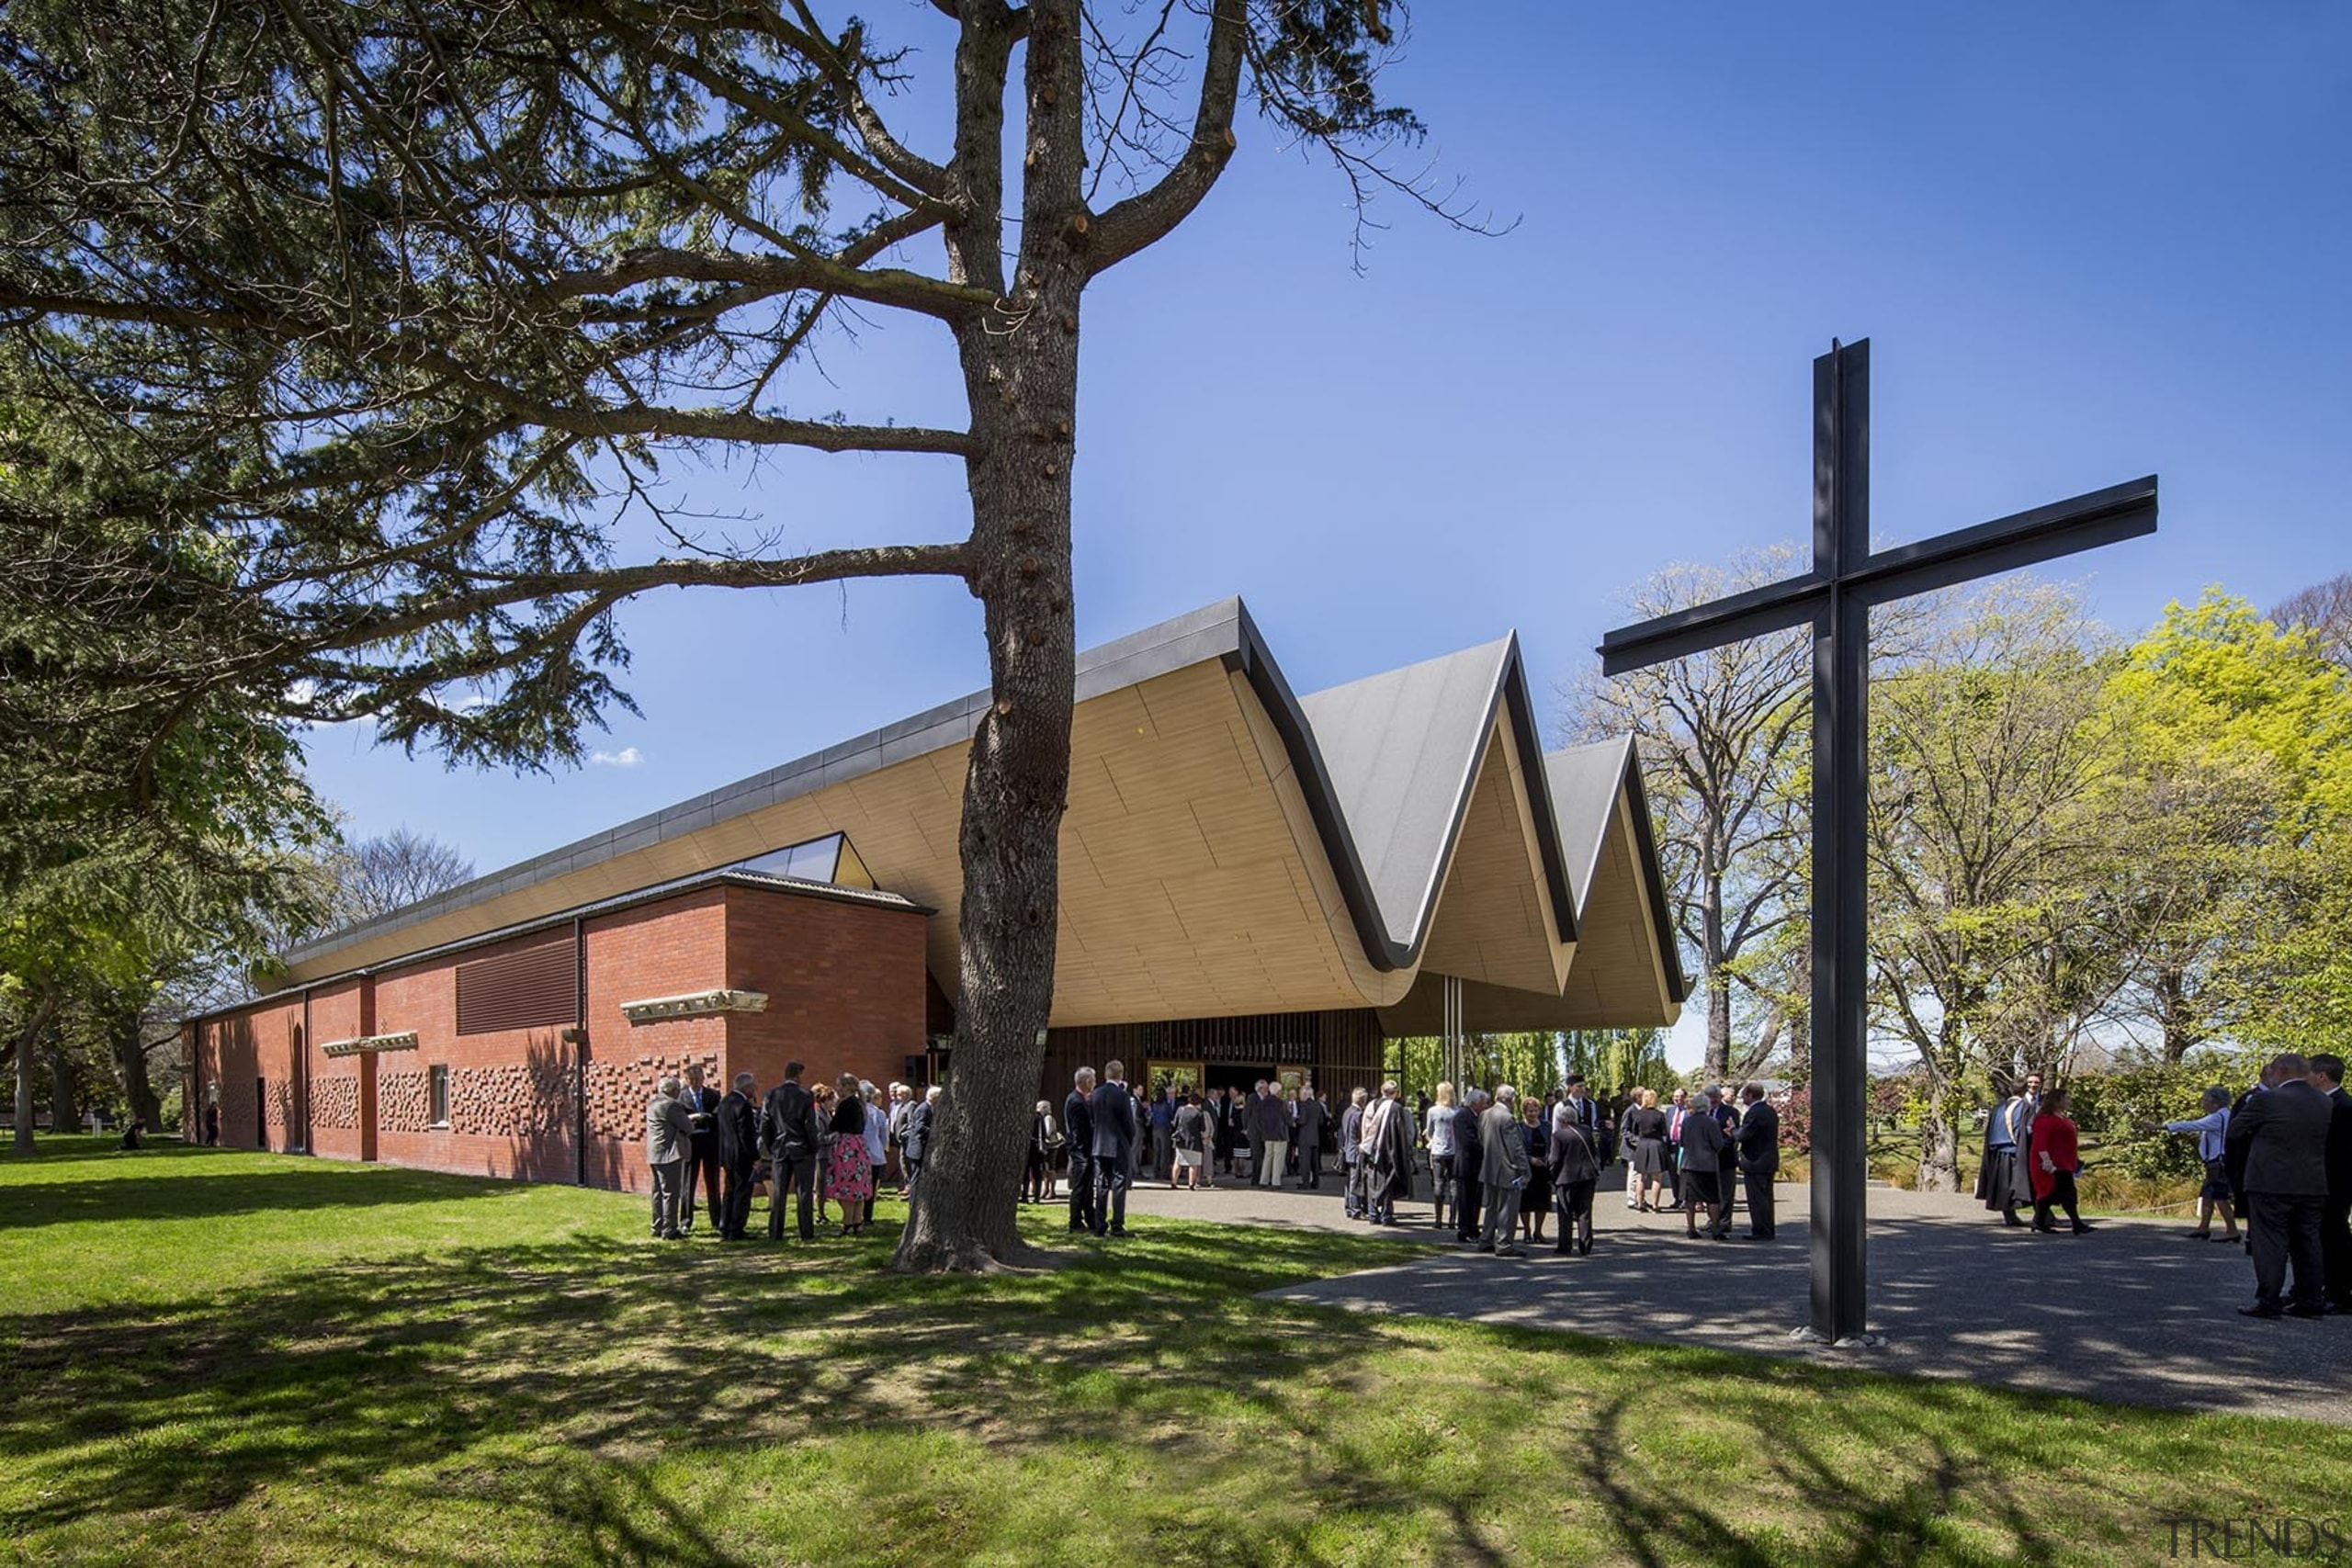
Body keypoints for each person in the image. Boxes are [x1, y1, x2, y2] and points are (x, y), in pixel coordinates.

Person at [2225, 1053, 2334, 1318]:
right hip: (2311, 1182)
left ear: (2281, 1070)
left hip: (2269, 1181)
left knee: (2270, 1243)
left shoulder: (2266, 1099)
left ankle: (2269, 1301)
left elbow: (2235, 1130)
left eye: (2272, 1071)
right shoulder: (2323, 1101)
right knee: (2308, 1242)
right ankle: (2310, 1302)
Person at [2162, 1087, 2239, 1243]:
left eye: (2206, 1099)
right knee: (2208, 1194)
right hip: (2213, 1161)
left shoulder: (2218, 1117)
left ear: (2216, 1103)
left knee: (2219, 1196)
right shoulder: (2220, 1116)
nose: (2203, 1102)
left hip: (2218, 1161)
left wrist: (2163, 1127)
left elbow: (2192, 1125)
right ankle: (2203, 1227)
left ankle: (2232, 1230)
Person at [760, 1062, 821, 1243]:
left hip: (780, 1147)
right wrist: (813, 1146)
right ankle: (806, 1232)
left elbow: (765, 1124)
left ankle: (775, 1232)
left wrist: (771, 1145)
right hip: (802, 1147)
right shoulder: (805, 1095)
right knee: (804, 1191)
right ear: (797, 1075)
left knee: (779, 1192)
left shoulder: (771, 1095)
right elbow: (810, 1125)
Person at [2313, 1054, 2352, 1314]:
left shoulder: (2342, 1107)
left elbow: (2343, 1154)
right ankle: (2326, 1286)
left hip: (2336, 1185)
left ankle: (2339, 1293)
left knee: (2335, 1238)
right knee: (2325, 1238)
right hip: (2326, 1183)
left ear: (2321, 1076)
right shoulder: (2331, 1104)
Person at [2027, 1087, 2090, 1236]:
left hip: (2064, 1161)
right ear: (2057, 1101)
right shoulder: (2045, 1120)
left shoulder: (2061, 1117)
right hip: (2052, 1163)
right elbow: (2040, 1143)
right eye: (2066, 1098)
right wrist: (2047, 1161)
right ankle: (2077, 1224)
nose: (2069, 1101)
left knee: (2051, 1194)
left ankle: (2039, 1222)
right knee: (2065, 1193)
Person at [1478, 1085, 1530, 1257]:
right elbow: (1515, 1147)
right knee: (1508, 1208)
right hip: (1508, 1169)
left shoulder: (1484, 1114)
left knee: (1491, 1206)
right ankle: (1504, 1243)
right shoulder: (1507, 1118)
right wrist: (1524, 1169)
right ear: (1510, 1099)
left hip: (1489, 1166)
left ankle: (1486, 1239)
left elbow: (1481, 1139)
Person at [1091, 1058, 1139, 1237]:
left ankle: (1099, 1223)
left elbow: (1093, 1118)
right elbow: (1128, 1122)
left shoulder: (1096, 1093)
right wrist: (1129, 1139)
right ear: (1121, 1075)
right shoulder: (1122, 1095)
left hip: (1099, 1144)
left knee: (1101, 1183)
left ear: (1105, 1074)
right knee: (1119, 1183)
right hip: (1118, 1143)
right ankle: (1117, 1225)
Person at [1978, 1077, 2034, 1228]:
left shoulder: (1998, 1108)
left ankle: (2009, 1215)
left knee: (2003, 1186)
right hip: (2015, 1150)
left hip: (1997, 1151)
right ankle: (2043, 1216)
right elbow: (2027, 1130)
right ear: (2024, 1090)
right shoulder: (2025, 1107)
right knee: (2022, 1184)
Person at [676, 1064, 724, 1236]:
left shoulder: (713, 1095)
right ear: (686, 1080)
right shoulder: (681, 1097)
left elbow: (719, 1115)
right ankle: (686, 1220)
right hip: (691, 1143)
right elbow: (680, 1118)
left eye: (698, 1078)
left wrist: (707, 1118)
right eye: (691, 1079)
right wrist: (693, 1118)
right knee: (688, 1182)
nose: (695, 1082)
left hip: (710, 1142)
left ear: (703, 1078)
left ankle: (717, 1219)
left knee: (713, 1182)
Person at [1548, 1098, 1600, 1255]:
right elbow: (1593, 1153)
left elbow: (1554, 1160)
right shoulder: (1587, 1132)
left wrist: (1551, 1176)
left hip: (1566, 1178)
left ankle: (1565, 1246)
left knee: (1565, 1213)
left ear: (1562, 1120)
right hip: (1587, 1177)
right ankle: (1585, 1245)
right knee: (1585, 1212)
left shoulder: (1559, 1136)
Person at [645, 1075, 693, 1241]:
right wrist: (692, 1119)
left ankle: (657, 1226)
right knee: (670, 1193)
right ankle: (670, 1229)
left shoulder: (652, 1104)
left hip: (654, 1152)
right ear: (673, 1090)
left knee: (657, 1192)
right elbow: (688, 1127)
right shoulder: (672, 1105)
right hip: (669, 1154)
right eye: (678, 1090)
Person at [823, 1073, 873, 1235]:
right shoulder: (860, 1103)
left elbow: (835, 1125)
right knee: (858, 1188)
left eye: (839, 1086)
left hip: (847, 1147)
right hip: (859, 1146)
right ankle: (858, 1223)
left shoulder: (845, 1104)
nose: (837, 1089)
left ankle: (848, 1223)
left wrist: (833, 1113)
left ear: (846, 1087)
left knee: (846, 1187)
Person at [715, 1071, 761, 1241]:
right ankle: (736, 1228)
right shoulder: (743, 1105)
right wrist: (755, 1156)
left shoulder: (725, 1102)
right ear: (746, 1086)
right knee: (742, 1192)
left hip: (727, 1154)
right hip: (741, 1155)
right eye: (753, 1086)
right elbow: (746, 1135)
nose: (755, 1089)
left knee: (729, 1190)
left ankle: (724, 1225)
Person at [1675, 1092, 1728, 1239]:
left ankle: (1691, 1228)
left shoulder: (1686, 1122)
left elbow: (1683, 1142)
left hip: (1689, 1164)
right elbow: (1718, 1145)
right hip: (1707, 1165)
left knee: (1690, 1199)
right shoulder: (1712, 1122)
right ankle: (1716, 1229)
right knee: (1712, 1198)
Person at [1731, 1084, 1780, 1240]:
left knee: (1757, 1199)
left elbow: (1744, 1135)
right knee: (1767, 1198)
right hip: (1769, 1160)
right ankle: (1768, 1229)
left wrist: (1732, 1130)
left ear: (1751, 1095)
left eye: (1744, 1095)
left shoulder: (1754, 1113)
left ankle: (1760, 1231)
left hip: (1755, 1161)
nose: (1743, 1098)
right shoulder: (1770, 1111)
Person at [1363, 1081, 1413, 1224]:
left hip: (1372, 1149)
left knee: (1373, 1181)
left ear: (1381, 1091)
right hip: (1389, 1150)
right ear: (1395, 1093)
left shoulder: (1371, 1105)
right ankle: (1386, 1215)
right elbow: (1400, 1133)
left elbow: (1365, 1126)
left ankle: (1372, 1214)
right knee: (1387, 1183)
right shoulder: (1396, 1108)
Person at [1623, 1089, 1669, 1212]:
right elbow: (1664, 1133)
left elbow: (1633, 1131)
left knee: (1641, 1177)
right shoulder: (1660, 1115)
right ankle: (1655, 1205)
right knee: (1657, 1177)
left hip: (1642, 1144)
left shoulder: (1636, 1114)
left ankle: (1639, 1203)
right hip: (1656, 1144)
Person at [1065, 1067, 1099, 1235]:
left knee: (1087, 1188)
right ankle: (1075, 1222)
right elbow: (1081, 1130)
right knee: (1080, 1187)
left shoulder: (1082, 1100)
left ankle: (1091, 1220)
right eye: (1093, 1080)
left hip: (1085, 1151)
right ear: (1087, 1082)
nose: (1095, 1083)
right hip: (1081, 1152)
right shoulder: (1076, 1102)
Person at [1453, 1089, 1487, 1245]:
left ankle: (1473, 1227)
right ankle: (1465, 1229)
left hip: (1476, 1164)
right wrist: (1486, 1147)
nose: (1485, 1106)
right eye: (1483, 1103)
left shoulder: (1476, 1116)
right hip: (1466, 1164)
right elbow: (1468, 1141)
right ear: (1475, 1103)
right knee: (1466, 1199)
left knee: (1476, 1198)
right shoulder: (1463, 1116)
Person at [1518, 1095, 1552, 1245]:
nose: (1533, 1113)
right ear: (1524, 1112)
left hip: (1543, 1168)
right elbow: (1517, 1149)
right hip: (1527, 1168)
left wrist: (1548, 1158)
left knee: (1542, 1201)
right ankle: (1526, 1231)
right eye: (1529, 1111)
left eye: (1535, 1110)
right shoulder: (1520, 1127)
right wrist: (1530, 1159)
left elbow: (1551, 1143)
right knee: (1525, 1201)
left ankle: (1538, 1231)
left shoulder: (1546, 1126)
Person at [1424, 1082, 1458, 1230]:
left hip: (1437, 1150)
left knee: (1438, 1184)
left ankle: (1438, 1219)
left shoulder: (1433, 1111)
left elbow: (1429, 1132)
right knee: (1454, 1185)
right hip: (1454, 1151)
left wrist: (1431, 1139)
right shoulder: (1457, 1111)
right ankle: (1452, 1219)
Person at [1251, 1081, 1290, 1190]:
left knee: (1268, 1157)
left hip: (1267, 1135)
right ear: (1278, 1092)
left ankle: (1263, 1180)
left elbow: (1257, 1119)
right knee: (1278, 1159)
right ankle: (1275, 1182)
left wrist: (1263, 1130)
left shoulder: (1263, 1103)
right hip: (1280, 1135)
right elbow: (1287, 1118)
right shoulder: (1282, 1103)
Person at [1339, 1088, 1371, 1218]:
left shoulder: (1347, 1111)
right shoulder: (1358, 1114)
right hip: (1356, 1150)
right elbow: (1361, 1133)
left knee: (1349, 1180)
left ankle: (1348, 1206)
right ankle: (1355, 1208)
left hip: (1348, 1149)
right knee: (1355, 1181)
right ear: (1363, 1101)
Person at [900, 1086, 936, 1194]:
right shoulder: (924, 1109)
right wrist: (935, 1132)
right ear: (934, 1098)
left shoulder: (928, 1107)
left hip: (920, 1147)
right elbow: (919, 1127)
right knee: (916, 1177)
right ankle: (914, 1202)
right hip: (917, 1149)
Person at [1172, 1091, 1210, 1190]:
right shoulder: (1198, 1113)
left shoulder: (1180, 1110)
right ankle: (1191, 1184)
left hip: (1181, 1140)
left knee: (1178, 1162)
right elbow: (1202, 1128)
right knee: (1193, 1164)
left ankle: (1174, 1182)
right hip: (1194, 1141)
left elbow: (1175, 1123)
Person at [1294, 1086, 1329, 1190]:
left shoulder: (1304, 1105)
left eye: (1300, 1094)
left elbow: (1302, 1120)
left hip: (1304, 1137)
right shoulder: (1318, 1105)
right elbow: (1321, 1121)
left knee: (1305, 1162)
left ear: (1305, 1094)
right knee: (1315, 1162)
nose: (1299, 1096)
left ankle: (1306, 1183)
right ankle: (1316, 1182)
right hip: (1315, 1136)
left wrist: (1296, 1120)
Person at [1026, 1099, 1059, 1202]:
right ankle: (1046, 1189)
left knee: (1050, 1168)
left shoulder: (1048, 1118)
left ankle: (1051, 1190)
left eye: (1039, 1107)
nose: (1038, 1110)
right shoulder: (1044, 1117)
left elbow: (1048, 1132)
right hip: (1048, 1146)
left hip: (1050, 1147)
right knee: (1045, 1169)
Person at [862, 1083, 889, 1203]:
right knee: (872, 1183)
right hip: (875, 1150)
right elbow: (884, 1133)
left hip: (859, 1149)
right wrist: (883, 1147)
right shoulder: (879, 1113)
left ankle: (857, 1213)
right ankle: (867, 1215)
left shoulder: (860, 1110)